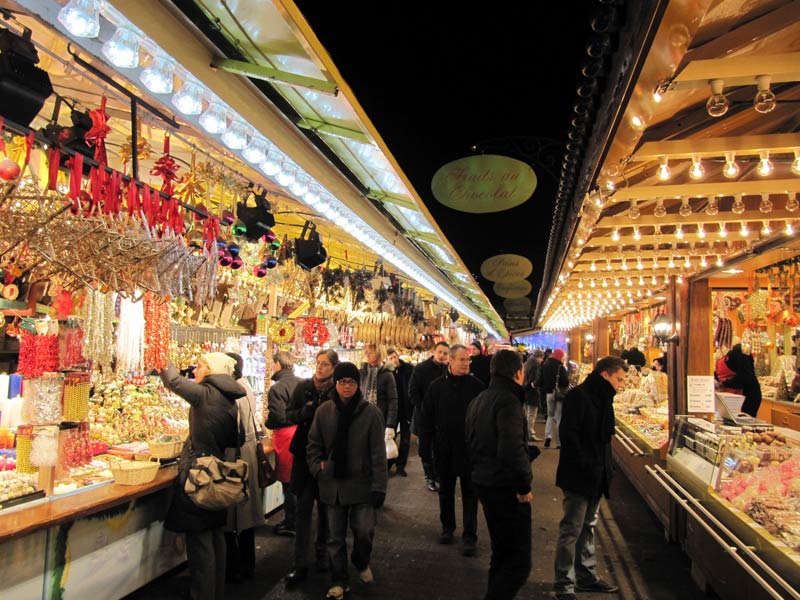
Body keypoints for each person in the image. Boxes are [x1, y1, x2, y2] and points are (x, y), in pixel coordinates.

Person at [159, 353, 244, 600]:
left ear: (212, 370)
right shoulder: (230, 398)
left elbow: (174, 381)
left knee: (201, 546)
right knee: (216, 538)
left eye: (201, 365)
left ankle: (203, 595)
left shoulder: (206, 394)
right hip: (217, 472)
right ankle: (215, 592)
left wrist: (160, 355)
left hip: (200, 477)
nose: (196, 369)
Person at [307, 362, 388, 600]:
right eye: (342, 382)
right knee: (334, 536)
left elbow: (378, 454)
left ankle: (361, 560)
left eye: (351, 382)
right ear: (336, 383)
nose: (346, 386)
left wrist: (379, 486)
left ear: (357, 384)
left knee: (364, 530)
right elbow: (313, 445)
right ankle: (339, 579)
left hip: (362, 483)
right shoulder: (324, 412)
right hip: (332, 484)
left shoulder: (371, 413)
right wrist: (317, 468)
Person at [552, 356, 627, 600]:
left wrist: (606, 470)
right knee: (572, 528)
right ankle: (564, 583)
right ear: (605, 375)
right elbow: (569, 435)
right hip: (579, 474)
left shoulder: (604, 398)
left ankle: (586, 576)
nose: (622, 384)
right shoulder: (580, 397)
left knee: (588, 527)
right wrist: (587, 464)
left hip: (597, 474)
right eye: (619, 379)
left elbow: (604, 439)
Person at [465, 350, 533, 600]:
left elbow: (473, 441)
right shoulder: (509, 402)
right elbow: (510, 450)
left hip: (485, 481)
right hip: (506, 489)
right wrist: (523, 487)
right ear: (518, 373)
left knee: (501, 554)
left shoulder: (480, 398)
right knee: (518, 563)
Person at [420, 344, 485, 556]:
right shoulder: (436, 387)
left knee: (470, 493)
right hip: (444, 447)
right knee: (445, 490)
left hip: (469, 449)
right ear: (451, 361)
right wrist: (425, 448)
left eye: (468, 360)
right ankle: (447, 528)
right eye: (462, 360)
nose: (466, 363)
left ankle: (469, 535)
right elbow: (427, 419)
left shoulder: (477, 387)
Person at [283, 349, 339, 586]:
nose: (320, 367)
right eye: (318, 363)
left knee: (326, 511)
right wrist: (305, 412)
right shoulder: (304, 387)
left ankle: (322, 553)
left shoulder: (339, 391)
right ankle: (300, 563)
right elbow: (288, 416)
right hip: (304, 457)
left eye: (325, 364)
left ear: (334, 368)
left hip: (326, 459)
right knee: (303, 510)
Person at [223, 353, 265, 583]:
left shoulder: (233, 391)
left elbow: (232, 430)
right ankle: (246, 564)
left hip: (235, 455)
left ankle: (233, 567)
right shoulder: (246, 386)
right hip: (246, 452)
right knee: (244, 513)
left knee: (231, 511)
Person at [266, 350, 303, 537]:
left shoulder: (277, 388)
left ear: (278, 365)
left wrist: (267, 423)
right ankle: (297, 519)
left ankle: (292, 522)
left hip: (286, 436)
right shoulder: (302, 382)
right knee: (297, 480)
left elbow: (279, 417)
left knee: (288, 482)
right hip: (301, 433)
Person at [408, 340, 450, 492]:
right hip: (423, 416)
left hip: (442, 417)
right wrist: (423, 407)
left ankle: (438, 474)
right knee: (425, 449)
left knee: (440, 447)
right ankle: (429, 477)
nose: (442, 355)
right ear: (434, 351)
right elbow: (412, 392)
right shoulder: (420, 369)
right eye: (440, 352)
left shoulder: (448, 370)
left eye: (445, 353)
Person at [359, 343, 399, 468]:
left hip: (380, 419)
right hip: (362, 417)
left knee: (378, 452)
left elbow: (393, 400)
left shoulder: (387, 374)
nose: (367, 354)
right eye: (366, 351)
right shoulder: (362, 372)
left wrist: (390, 425)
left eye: (370, 352)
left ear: (378, 353)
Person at [387, 347, 413, 476]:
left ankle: (400, 466)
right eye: (390, 358)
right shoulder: (387, 372)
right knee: (390, 436)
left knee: (405, 439)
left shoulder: (409, 369)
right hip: (393, 410)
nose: (394, 360)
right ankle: (388, 463)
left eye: (395, 356)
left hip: (406, 409)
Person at [719, 342, 762, 417]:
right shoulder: (737, 351)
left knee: (744, 420)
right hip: (747, 392)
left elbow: (745, 377)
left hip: (747, 394)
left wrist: (724, 383)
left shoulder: (738, 351)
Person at [537, 348, 569, 448]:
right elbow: (565, 382)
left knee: (550, 416)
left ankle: (548, 437)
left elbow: (541, 380)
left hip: (549, 394)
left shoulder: (545, 365)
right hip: (559, 395)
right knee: (559, 418)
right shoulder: (560, 367)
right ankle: (559, 443)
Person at [522, 349, 545, 442]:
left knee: (527, 413)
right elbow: (534, 379)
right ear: (538, 357)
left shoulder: (527, 363)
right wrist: (533, 385)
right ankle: (530, 433)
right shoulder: (535, 365)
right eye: (541, 358)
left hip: (524, 391)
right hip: (531, 392)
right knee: (531, 414)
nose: (542, 360)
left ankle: (526, 432)